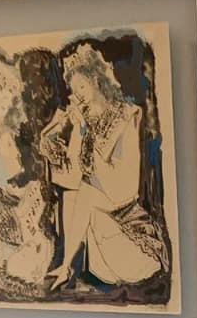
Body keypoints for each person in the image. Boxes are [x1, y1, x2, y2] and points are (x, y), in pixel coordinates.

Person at [38, 43, 168, 291]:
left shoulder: (125, 116)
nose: (79, 96)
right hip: (100, 221)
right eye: (75, 91)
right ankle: (65, 267)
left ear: (96, 80)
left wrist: (87, 133)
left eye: (83, 87)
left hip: (126, 222)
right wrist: (57, 135)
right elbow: (75, 175)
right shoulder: (83, 120)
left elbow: (125, 186)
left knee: (84, 193)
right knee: (73, 194)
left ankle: (65, 267)